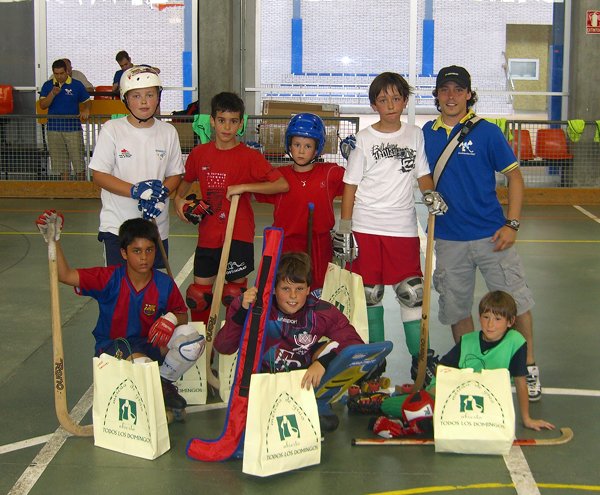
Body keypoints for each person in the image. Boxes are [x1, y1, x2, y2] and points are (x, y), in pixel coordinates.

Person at [422, 65, 541, 401]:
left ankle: (528, 366)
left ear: (469, 95)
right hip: (448, 238)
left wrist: (512, 224)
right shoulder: (427, 134)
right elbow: (420, 173)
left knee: (517, 302)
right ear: (437, 96)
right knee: (456, 308)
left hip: (492, 236)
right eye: (445, 90)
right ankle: (472, 370)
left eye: (458, 90)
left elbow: (514, 177)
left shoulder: (486, 132)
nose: (451, 96)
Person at [333, 72, 448, 385]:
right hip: (366, 225)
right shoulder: (364, 139)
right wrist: (345, 228)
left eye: (396, 98)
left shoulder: (415, 135)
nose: (391, 104)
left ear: (405, 101)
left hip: (402, 227)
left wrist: (430, 193)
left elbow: (422, 173)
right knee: (370, 295)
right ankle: (373, 362)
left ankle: (421, 358)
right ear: (374, 105)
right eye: (383, 100)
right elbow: (350, 185)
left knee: (412, 293)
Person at [35, 211, 205, 411]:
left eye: (149, 250)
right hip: (113, 346)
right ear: (124, 253)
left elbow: (182, 314)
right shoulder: (108, 278)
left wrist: (171, 318)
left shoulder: (163, 283)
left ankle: (163, 382)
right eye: (137, 251)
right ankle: (153, 388)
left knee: (192, 342)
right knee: (143, 368)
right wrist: (54, 241)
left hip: (148, 343)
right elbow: (65, 275)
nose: (144, 258)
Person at [174, 91, 288, 325]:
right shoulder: (199, 154)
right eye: (222, 120)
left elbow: (281, 184)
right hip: (208, 234)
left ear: (240, 123)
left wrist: (244, 187)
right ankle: (202, 343)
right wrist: (178, 202)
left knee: (234, 295)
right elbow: (185, 183)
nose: (227, 127)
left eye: (233, 121)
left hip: (239, 233)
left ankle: (233, 341)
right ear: (212, 121)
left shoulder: (249, 157)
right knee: (199, 296)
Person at [215, 251, 364, 430]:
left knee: (334, 350)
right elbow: (223, 346)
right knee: (254, 428)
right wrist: (242, 311)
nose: (293, 295)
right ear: (274, 289)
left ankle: (318, 400)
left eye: (299, 289)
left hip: (302, 384)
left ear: (308, 289)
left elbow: (355, 343)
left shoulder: (321, 312)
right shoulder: (258, 307)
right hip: (264, 385)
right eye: (286, 289)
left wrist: (323, 362)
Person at [89, 66, 184, 268]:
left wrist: (161, 193)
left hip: (155, 228)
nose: (144, 101)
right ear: (125, 99)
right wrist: (135, 191)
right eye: (136, 96)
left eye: (150, 95)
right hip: (118, 227)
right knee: (120, 285)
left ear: (158, 97)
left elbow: (175, 174)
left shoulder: (168, 132)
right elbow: (99, 175)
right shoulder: (112, 129)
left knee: (152, 286)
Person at [437, 291, 554, 430]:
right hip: (462, 391)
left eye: (498, 319)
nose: (490, 324)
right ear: (479, 317)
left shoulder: (515, 342)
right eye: (486, 317)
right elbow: (441, 370)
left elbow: (520, 382)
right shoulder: (467, 341)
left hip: (487, 396)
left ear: (510, 321)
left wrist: (527, 419)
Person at [254, 113, 345, 292]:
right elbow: (251, 187)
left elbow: (358, 182)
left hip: (319, 245)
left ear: (317, 149)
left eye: (308, 146)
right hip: (287, 245)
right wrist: (254, 161)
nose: (301, 151)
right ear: (289, 145)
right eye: (297, 145)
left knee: (318, 291)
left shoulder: (330, 173)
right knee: (288, 291)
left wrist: (356, 157)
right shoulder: (279, 177)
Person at [39, 59, 91, 181]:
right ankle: (65, 188)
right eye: (56, 74)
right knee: (61, 164)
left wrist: (86, 109)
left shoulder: (77, 84)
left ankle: (81, 188)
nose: (59, 76)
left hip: (73, 129)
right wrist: (52, 94)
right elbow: (43, 105)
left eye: (61, 73)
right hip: (54, 129)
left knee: (78, 162)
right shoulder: (48, 85)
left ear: (67, 71)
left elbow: (87, 101)